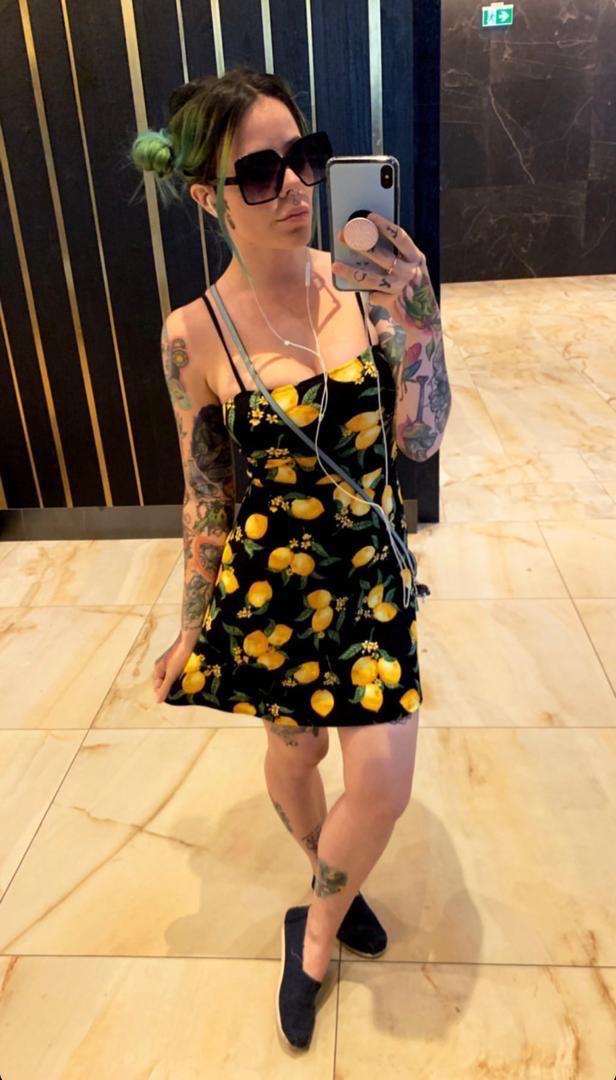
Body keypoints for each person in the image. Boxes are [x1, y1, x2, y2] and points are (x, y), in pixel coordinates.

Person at [131, 65, 432, 1051]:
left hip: (370, 577)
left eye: (301, 157)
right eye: (259, 173)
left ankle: (315, 931)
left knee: (381, 782)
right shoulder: (192, 336)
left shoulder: (364, 286)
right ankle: (324, 878)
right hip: (272, 590)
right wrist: (191, 626)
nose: (295, 186)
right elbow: (208, 494)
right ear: (208, 197)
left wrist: (418, 320)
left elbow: (420, 439)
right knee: (297, 754)